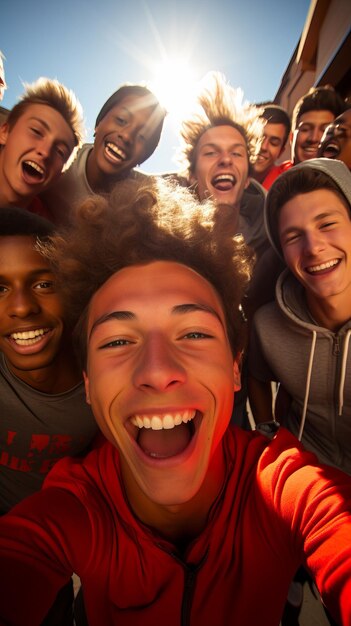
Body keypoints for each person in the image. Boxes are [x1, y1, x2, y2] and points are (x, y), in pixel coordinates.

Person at [0, 177, 351, 626]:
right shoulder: (77, 503)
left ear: (235, 367)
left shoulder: (284, 487)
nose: (157, 370)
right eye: (118, 341)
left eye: (194, 334)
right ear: (88, 383)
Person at [0, 207, 98, 624]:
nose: (21, 307)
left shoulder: (104, 380)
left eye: (43, 283)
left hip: (54, 556)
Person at [248, 157, 351, 475]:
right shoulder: (267, 325)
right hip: (304, 478)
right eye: (293, 237)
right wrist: (267, 430)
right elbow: (257, 373)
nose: (313, 247)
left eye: (327, 224)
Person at [42, 83, 166, 225]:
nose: (127, 136)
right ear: (99, 123)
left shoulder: (145, 200)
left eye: (143, 136)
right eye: (121, 120)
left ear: (144, 157)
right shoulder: (60, 161)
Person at [176, 71, 268, 259]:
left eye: (236, 153)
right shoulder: (164, 241)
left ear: (247, 179)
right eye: (211, 152)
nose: (226, 159)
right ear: (192, 174)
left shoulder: (272, 250)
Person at [0, 77, 84, 219]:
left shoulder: (44, 236)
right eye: (37, 132)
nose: (45, 153)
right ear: (4, 132)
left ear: (60, 175)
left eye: (60, 152)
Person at [289, 86, 346, 167]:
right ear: (291, 138)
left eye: (325, 130)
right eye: (306, 129)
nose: (314, 138)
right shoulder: (271, 177)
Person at [251, 103, 291, 190]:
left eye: (274, 142)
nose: (263, 147)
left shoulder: (288, 185)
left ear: (281, 152)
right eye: (258, 137)